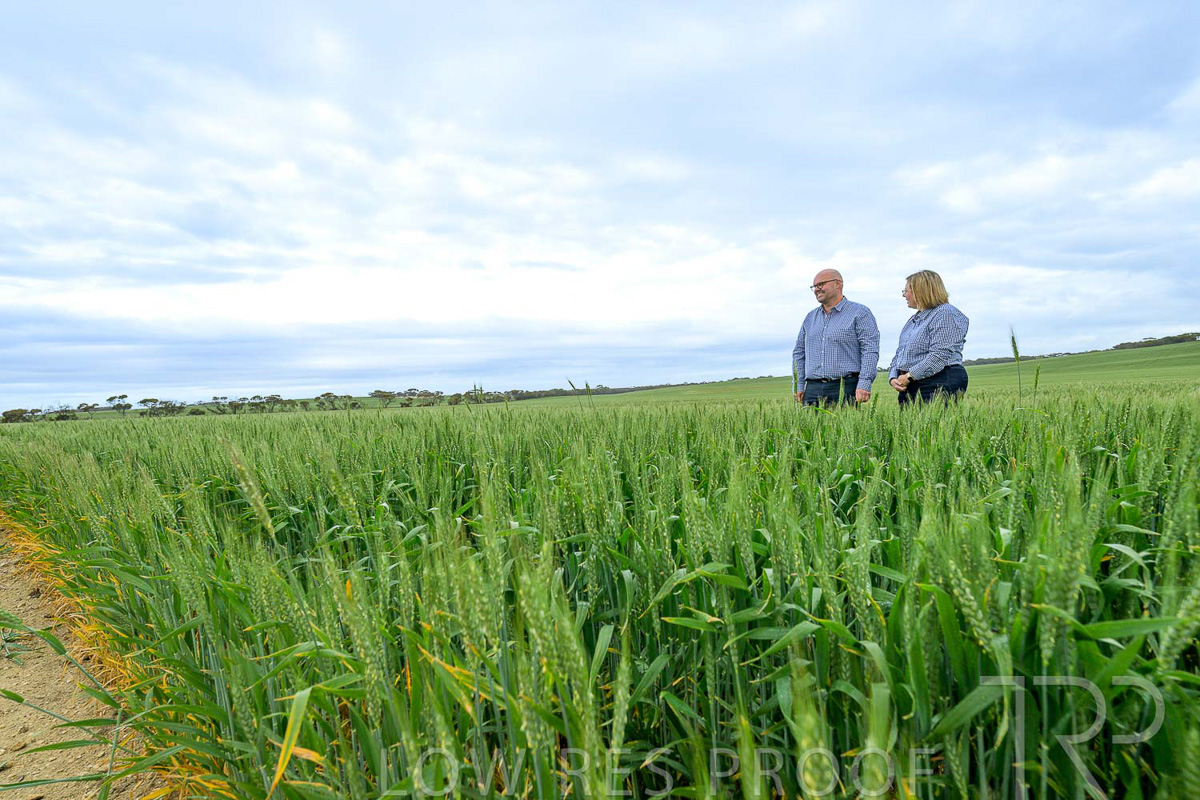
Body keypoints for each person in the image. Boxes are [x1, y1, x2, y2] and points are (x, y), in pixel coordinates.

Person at [792, 269, 880, 407]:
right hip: (812, 389)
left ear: (838, 284)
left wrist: (864, 383)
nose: (816, 289)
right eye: (814, 286)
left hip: (846, 386)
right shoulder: (810, 317)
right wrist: (799, 384)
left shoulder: (860, 313)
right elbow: (799, 352)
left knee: (845, 421)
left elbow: (869, 349)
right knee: (808, 422)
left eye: (820, 284)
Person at [887, 270, 969, 405]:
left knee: (936, 419)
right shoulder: (913, 320)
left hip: (939, 380)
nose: (904, 295)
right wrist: (893, 377)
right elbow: (900, 353)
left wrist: (909, 376)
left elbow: (939, 355)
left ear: (920, 291)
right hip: (911, 383)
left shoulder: (945, 313)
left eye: (906, 291)